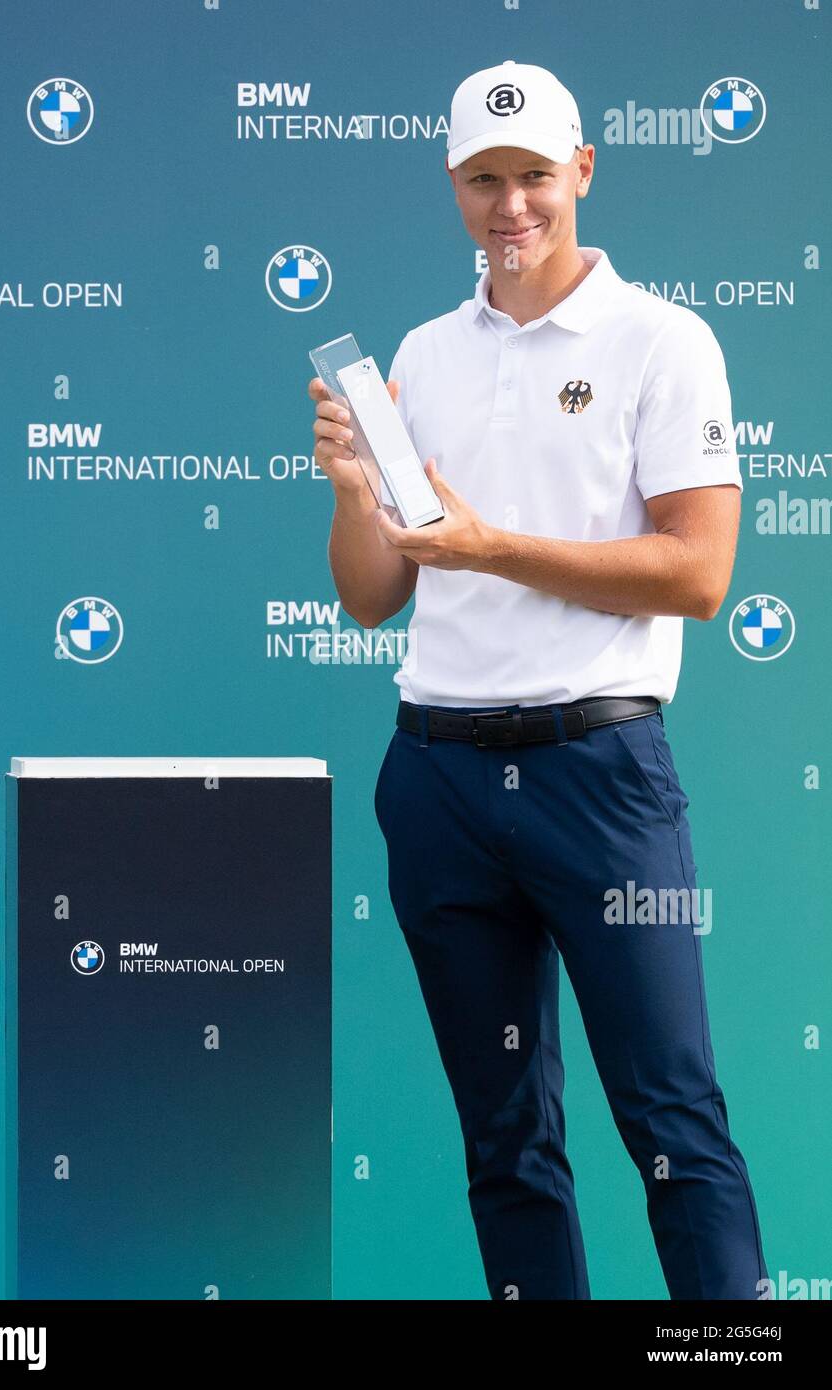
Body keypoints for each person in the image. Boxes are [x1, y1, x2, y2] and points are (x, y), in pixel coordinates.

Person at [308, 60, 769, 1301]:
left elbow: (698, 571)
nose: (509, 207)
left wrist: (490, 543)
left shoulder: (662, 340)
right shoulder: (421, 350)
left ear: (582, 170)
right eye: (482, 181)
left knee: (673, 1120)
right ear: (452, 183)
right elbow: (372, 593)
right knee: (505, 1139)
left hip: (597, 774)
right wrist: (359, 493)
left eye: (530, 177)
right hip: (439, 778)